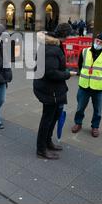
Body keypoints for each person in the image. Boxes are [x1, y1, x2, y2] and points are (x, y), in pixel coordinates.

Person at [33, 23, 77, 160]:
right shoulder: (51, 48)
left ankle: (48, 142)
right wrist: (67, 74)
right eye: (69, 35)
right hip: (49, 89)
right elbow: (51, 73)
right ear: (64, 35)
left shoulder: (54, 45)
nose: (69, 37)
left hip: (51, 88)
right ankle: (41, 149)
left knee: (53, 117)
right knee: (47, 119)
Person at [71, 33, 102, 137]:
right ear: (94, 40)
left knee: (98, 110)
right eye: (97, 40)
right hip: (84, 86)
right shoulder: (85, 51)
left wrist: (100, 78)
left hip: (98, 88)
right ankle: (78, 123)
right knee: (80, 107)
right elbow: (80, 65)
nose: (98, 43)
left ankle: (95, 127)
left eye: (101, 42)